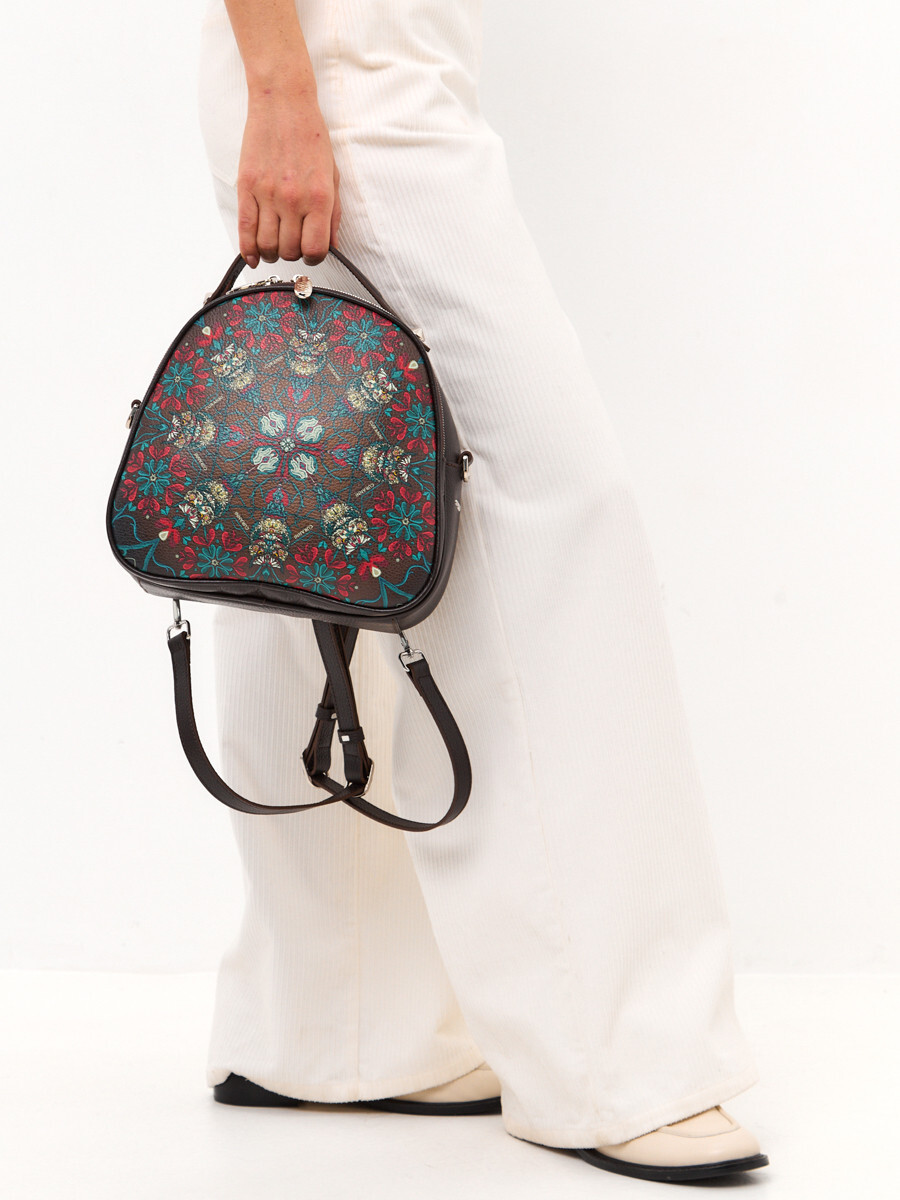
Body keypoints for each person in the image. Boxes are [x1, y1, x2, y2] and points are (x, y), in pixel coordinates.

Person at [194, 0, 770, 1183]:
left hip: (367, 75)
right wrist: (284, 87)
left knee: (333, 505)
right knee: (549, 512)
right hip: (351, 83)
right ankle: (619, 1057)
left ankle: (343, 1027)